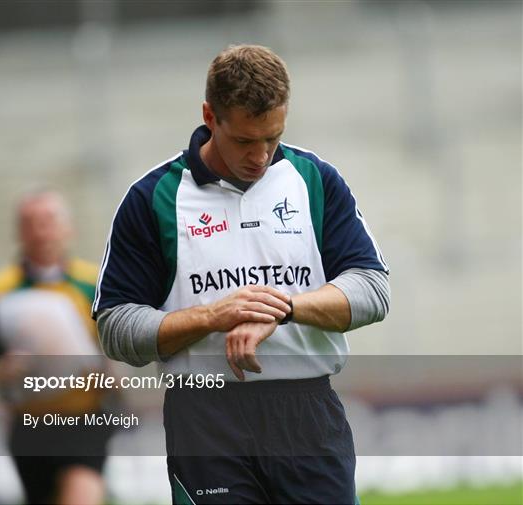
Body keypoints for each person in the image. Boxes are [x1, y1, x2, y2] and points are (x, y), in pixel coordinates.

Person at [94, 45, 390, 505]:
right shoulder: (154, 198)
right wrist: (212, 316)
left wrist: (286, 308)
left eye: (273, 138)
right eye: (246, 141)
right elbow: (115, 328)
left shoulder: (314, 179)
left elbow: (372, 290)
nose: (262, 156)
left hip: (307, 414)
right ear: (210, 116)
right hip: (206, 419)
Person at [0, 189, 113, 505]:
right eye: (31, 223)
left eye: (50, 221)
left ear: (68, 228)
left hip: (85, 419)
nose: (42, 231)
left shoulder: (93, 282)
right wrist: (3, 369)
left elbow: (115, 345)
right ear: (19, 232)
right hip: (30, 425)